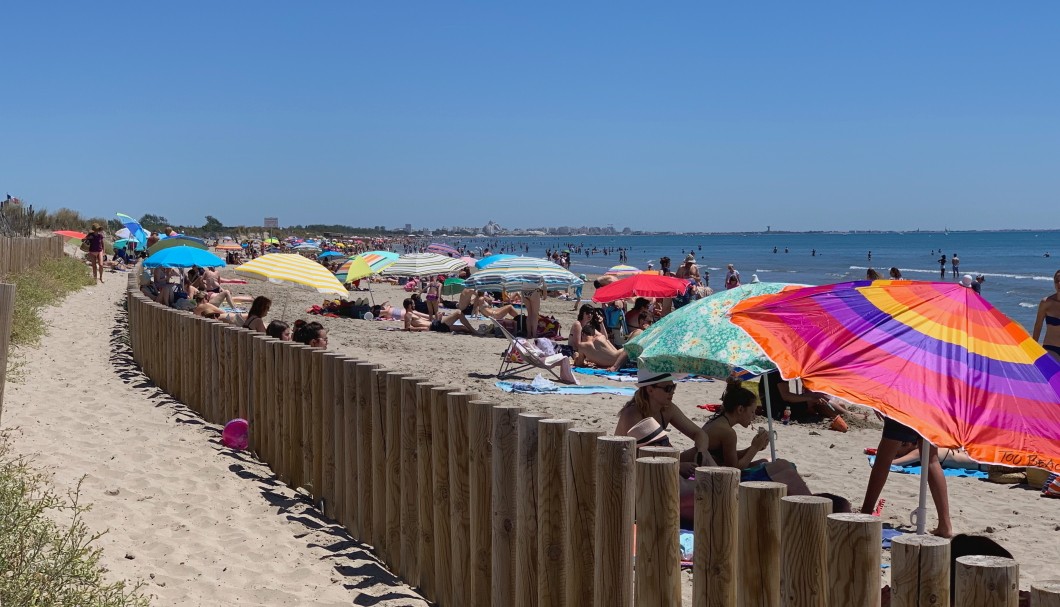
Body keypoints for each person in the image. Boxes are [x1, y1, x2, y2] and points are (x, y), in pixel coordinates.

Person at [702, 379, 812, 494]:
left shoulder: (717, 422)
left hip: (716, 472)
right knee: (788, 471)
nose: (754, 417)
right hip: (722, 482)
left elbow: (728, 457)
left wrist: (755, 447)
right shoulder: (728, 432)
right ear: (740, 409)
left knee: (781, 463)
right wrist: (754, 448)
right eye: (752, 412)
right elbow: (734, 469)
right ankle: (809, 504)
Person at [860, 416, 953, 537]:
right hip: (931, 407)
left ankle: (866, 513)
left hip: (906, 405)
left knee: (883, 459)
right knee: (931, 460)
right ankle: (945, 525)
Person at [615, 370, 716, 472]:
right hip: (629, 467)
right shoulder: (632, 414)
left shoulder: (667, 408)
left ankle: (720, 481)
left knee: (703, 454)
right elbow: (642, 458)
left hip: (657, 462)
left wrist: (701, 451)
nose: (672, 392)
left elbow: (699, 433)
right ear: (650, 390)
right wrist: (679, 467)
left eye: (673, 387)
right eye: (668, 388)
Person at [759, 370, 849, 422]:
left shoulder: (772, 371)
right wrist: (811, 398)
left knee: (817, 397)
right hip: (779, 410)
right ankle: (848, 415)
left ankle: (843, 412)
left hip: (773, 407)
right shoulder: (776, 372)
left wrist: (812, 397)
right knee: (815, 400)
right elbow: (786, 396)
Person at [1032, 269, 1060, 361]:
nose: (1059, 283)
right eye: (1056, 281)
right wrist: (1033, 348)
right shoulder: (1046, 302)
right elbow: (1038, 326)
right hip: (1051, 348)